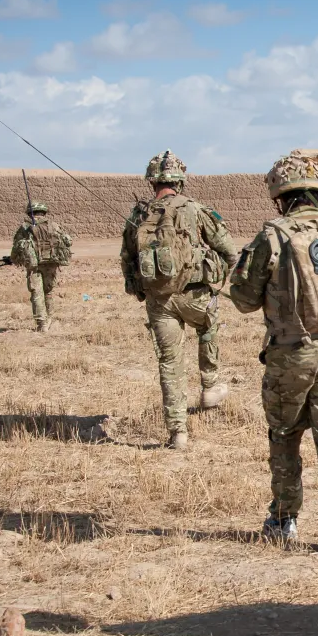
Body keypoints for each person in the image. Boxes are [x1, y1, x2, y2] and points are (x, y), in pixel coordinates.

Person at [229, 154, 318, 555]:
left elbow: (243, 300)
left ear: (280, 196)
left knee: (285, 436)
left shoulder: (272, 236)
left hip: (290, 354)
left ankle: (284, 519)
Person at [120, 150, 238, 451]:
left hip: (159, 301)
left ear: (152, 182)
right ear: (180, 181)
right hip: (196, 296)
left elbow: (127, 259)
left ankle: (178, 433)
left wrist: (141, 290)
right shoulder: (195, 209)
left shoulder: (139, 215)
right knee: (208, 328)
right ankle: (209, 386)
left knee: (169, 363)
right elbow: (228, 249)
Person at [9, 201, 72, 332]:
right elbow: (67, 240)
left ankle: (42, 323)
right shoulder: (54, 225)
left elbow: (16, 245)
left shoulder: (26, 227)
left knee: (37, 293)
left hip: (35, 265)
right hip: (51, 263)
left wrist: (13, 259)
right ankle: (49, 318)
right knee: (48, 292)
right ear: (44, 212)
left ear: (30, 213)